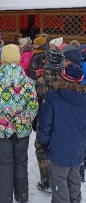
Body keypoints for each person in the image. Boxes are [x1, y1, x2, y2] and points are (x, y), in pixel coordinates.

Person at [0, 44, 38, 203]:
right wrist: (21, 121)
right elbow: (33, 107)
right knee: (21, 162)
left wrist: (4, 121)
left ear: (3, 58)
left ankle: (5, 198)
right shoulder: (28, 82)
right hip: (22, 132)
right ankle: (22, 197)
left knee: (4, 164)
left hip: (2, 132)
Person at [38, 62, 86, 203]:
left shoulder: (53, 97)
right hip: (78, 148)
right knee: (74, 178)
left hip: (59, 149)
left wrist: (44, 143)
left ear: (63, 78)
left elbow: (45, 124)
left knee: (59, 182)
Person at [34, 49, 65, 193]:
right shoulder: (66, 80)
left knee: (41, 149)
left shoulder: (40, 82)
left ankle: (46, 181)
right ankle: (59, 180)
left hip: (44, 121)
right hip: (62, 121)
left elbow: (36, 104)